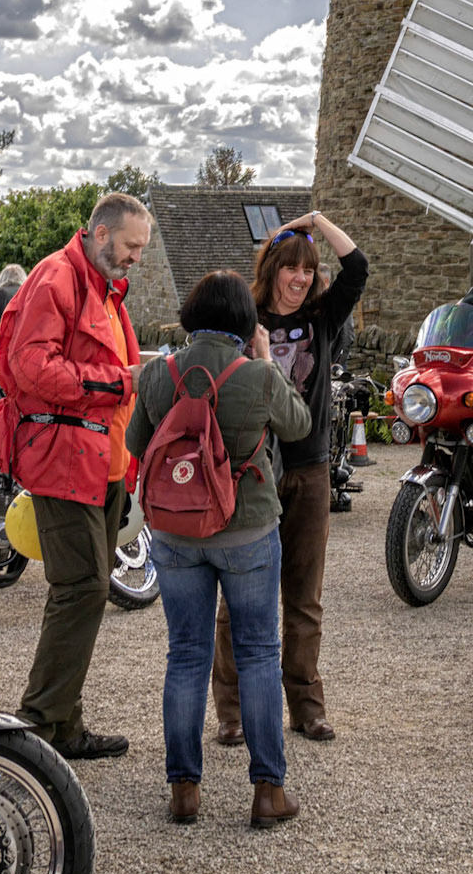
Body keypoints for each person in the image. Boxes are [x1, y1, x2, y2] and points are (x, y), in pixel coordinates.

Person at [127, 270, 312, 828]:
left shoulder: (161, 373)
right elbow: (299, 425)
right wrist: (266, 358)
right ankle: (266, 792)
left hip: (176, 532)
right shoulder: (255, 374)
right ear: (243, 321)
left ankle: (184, 790)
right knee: (257, 653)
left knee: (186, 654)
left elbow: (137, 442)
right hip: (247, 527)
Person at [0, 191, 150, 760]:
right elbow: (31, 367)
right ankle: (35, 725)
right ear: (101, 234)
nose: (136, 258)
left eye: (141, 249)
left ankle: (62, 724)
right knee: (81, 589)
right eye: (131, 246)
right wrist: (116, 382)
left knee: (85, 590)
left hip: (100, 464)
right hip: (63, 462)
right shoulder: (57, 278)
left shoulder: (103, 288)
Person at [212, 210, 366, 748]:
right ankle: (230, 712)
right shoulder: (243, 315)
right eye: (292, 268)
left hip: (310, 466)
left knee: (304, 596)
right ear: (273, 267)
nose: (301, 279)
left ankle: (306, 706)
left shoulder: (322, 316)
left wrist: (317, 220)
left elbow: (357, 267)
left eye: (309, 270)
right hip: (252, 469)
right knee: (240, 595)